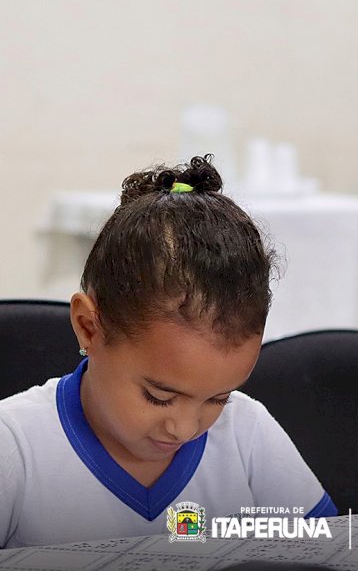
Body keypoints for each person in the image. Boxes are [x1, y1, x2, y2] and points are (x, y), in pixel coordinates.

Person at [0, 155, 336, 548]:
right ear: (89, 328)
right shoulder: (15, 448)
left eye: (218, 399)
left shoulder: (247, 434)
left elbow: (325, 553)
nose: (186, 428)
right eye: (159, 397)